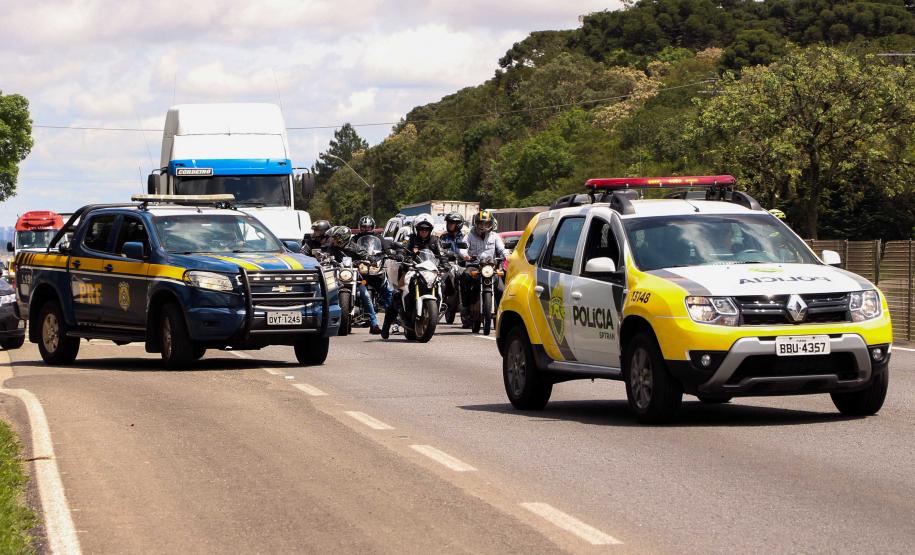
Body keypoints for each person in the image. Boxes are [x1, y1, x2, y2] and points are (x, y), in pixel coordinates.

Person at [381, 213, 442, 339]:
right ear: (416, 229)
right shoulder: (410, 239)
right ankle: (386, 326)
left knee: (443, 283)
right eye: (421, 229)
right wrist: (400, 254)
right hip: (410, 269)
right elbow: (402, 248)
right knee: (397, 295)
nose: (424, 231)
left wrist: (446, 262)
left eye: (426, 229)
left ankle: (439, 307)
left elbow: (441, 255)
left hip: (429, 271)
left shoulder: (435, 241)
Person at [327, 226, 382, 335]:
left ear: (343, 238)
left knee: (365, 295)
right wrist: (325, 258)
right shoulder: (332, 248)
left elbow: (364, 254)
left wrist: (370, 259)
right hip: (336, 277)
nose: (333, 240)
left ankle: (374, 323)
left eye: (335, 238)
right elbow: (326, 255)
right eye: (333, 238)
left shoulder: (355, 247)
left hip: (353, 278)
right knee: (325, 291)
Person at [460, 210, 506, 321]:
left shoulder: (495, 236)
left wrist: (506, 255)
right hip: (474, 265)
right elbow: (463, 248)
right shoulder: (470, 235)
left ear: (491, 224)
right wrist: (465, 255)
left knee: (501, 289)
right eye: (481, 223)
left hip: (490, 267)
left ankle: (501, 313)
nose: (483, 226)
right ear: (476, 223)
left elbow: (502, 249)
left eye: (486, 224)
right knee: (465, 276)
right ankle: (465, 306)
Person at [352, 215, 394, 311]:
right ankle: (348, 308)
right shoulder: (355, 239)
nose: (366, 229)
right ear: (360, 227)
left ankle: (391, 312)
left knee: (388, 288)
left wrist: (391, 252)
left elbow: (387, 247)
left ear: (372, 227)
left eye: (368, 227)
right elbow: (349, 248)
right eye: (363, 227)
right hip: (361, 265)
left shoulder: (378, 238)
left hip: (375, 264)